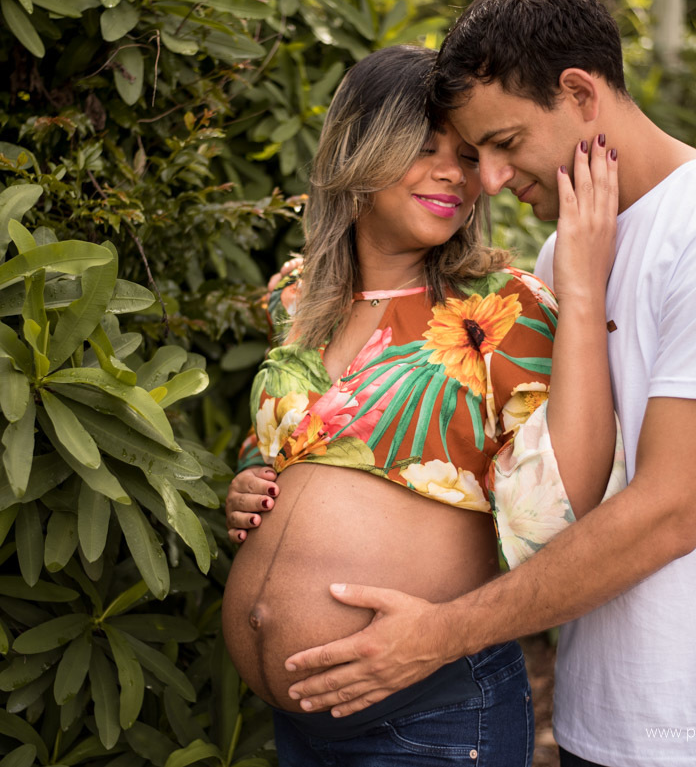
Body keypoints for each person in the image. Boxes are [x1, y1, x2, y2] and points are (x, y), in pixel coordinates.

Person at [258, 0, 696, 767]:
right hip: (607, 721)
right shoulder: (565, 250)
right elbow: (523, 492)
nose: (490, 181)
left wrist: (437, 634)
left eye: (502, 145)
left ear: (579, 92)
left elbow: (668, 512)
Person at [221, 43, 625, 765]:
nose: (453, 172)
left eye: (467, 155)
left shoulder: (506, 309)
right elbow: (288, 450)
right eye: (424, 147)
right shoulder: (296, 295)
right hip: (301, 730)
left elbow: (571, 495)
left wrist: (584, 286)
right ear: (360, 148)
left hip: (434, 714)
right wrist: (249, 485)